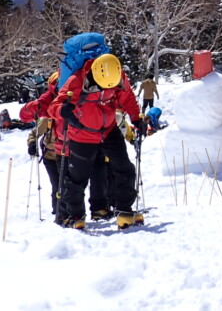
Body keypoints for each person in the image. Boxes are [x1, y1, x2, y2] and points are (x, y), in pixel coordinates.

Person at [49, 53, 146, 230]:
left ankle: (125, 211)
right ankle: (75, 216)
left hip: (109, 130)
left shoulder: (118, 76)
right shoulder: (77, 80)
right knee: (77, 178)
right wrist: (62, 110)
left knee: (124, 168)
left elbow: (127, 97)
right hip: (82, 134)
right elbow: (54, 105)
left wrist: (136, 118)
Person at [23, 72, 110, 220]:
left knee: (71, 185)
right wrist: (32, 143)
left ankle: (70, 213)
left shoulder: (77, 107)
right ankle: (60, 213)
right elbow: (35, 131)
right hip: (52, 154)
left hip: (69, 152)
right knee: (59, 186)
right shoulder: (50, 114)